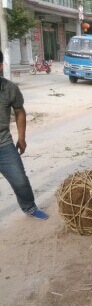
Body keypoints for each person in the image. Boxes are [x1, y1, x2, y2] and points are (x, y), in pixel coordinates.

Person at [0, 61, 48, 219]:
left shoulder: (9, 89)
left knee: (20, 181)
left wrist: (21, 138)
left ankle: (29, 207)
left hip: (4, 144)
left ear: (0, 65)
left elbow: (20, 112)